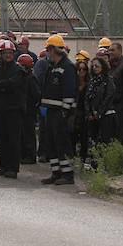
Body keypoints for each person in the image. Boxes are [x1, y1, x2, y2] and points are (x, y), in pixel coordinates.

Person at [40, 34, 77, 185]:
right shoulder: (53, 67)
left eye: (48, 50)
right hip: (51, 111)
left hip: (60, 113)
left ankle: (67, 175)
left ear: (52, 50)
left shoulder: (67, 67)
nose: (47, 53)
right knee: (51, 143)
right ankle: (56, 172)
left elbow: (69, 91)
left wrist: (65, 111)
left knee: (62, 144)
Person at [0, 39, 27, 178]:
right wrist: (3, 86)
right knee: (1, 140)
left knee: (13, 140)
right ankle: (4, 166)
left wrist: (0, 85)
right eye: (6, 53)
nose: (8, 55)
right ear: (1, 53)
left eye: (10, 53)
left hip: (13, 111)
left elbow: (14, 85)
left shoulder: (18, 70)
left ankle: (13, 168)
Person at [85, 55, 117, 146]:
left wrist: (99, 112)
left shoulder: (108, 79)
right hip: (93, 116)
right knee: (93, 140)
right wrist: (89, 113)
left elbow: (109, 96)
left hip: (106, 115)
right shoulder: (92, 81)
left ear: (102, 66)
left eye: (97, 66)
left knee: (106, 140)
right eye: (93, 66)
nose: (95, 68)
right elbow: (87, 98)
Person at [18, 54, 40, 164]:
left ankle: (30, 156)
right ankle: (23, 154)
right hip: (23, 110)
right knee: (22, 134)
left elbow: (36, 95)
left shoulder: (31, 78)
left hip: (29, 111)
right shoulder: (22, 78)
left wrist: (31, 107)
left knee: (28, 134)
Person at [74, 55, 92, 163]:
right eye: (79, 69)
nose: (81, 71)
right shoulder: (73, 84)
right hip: (74, 115)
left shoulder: (89, 85)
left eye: (84, 69)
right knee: (72, 138)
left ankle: (83, 160)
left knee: (84, 139)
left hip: (85, 116)